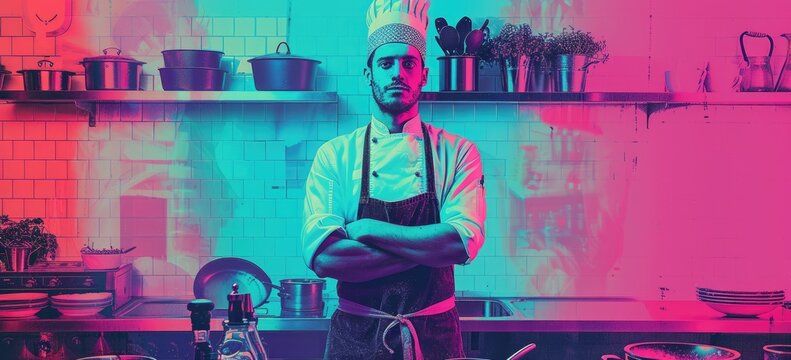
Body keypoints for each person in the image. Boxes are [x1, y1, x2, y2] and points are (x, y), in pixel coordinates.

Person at [301, 0, 486, 358]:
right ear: (369, 74)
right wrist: (428, 249)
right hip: (355, 339)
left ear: (424, 75)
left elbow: (460, 244)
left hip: (434, 340)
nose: (397, 73)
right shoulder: (335, 156)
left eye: (408, 63)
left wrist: (367, 229)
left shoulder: (458, 152)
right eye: (386, 63)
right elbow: (324, 258)